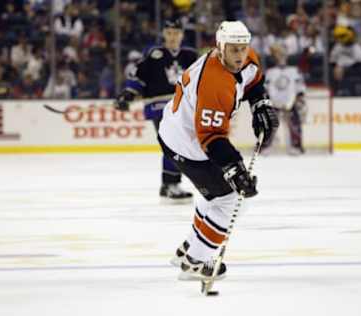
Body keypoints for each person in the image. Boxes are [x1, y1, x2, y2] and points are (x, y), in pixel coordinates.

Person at [158, 21, 279, 280]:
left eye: (243, 49)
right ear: (220, 47)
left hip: (182, 133)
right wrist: (235, 167)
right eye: (233, 50)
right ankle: (196, 262)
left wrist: (260, 103)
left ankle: (191, 247)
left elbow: (254, 80)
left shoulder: (246, 58)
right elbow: (211, 138)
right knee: (233, 198)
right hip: (186, 143)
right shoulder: (214, 82)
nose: (239, 56)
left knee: (217, 195)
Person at [115, 18, 198, 203]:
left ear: (182, 35)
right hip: (159, 107)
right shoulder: (154, 54)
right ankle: (170, 184)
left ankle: (169, 184)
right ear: (163, 34)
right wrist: (128, 93)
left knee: (179, 145)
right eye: (169, 33)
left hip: (182, 108)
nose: (172, 37)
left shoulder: (191, 56)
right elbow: (138, 75)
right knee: (173, 143)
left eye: (176, 33)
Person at [262, 44, 307, 155]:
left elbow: (300, 86)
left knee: (295, 123)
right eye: (278, 54)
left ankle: (296, 146)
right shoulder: (270, 72)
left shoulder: (294, 70)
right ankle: (266, 146)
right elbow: (265, 88)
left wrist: (299, 98)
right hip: (274, 102)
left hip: (290, 102)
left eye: (282, 54)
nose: (281, 57)